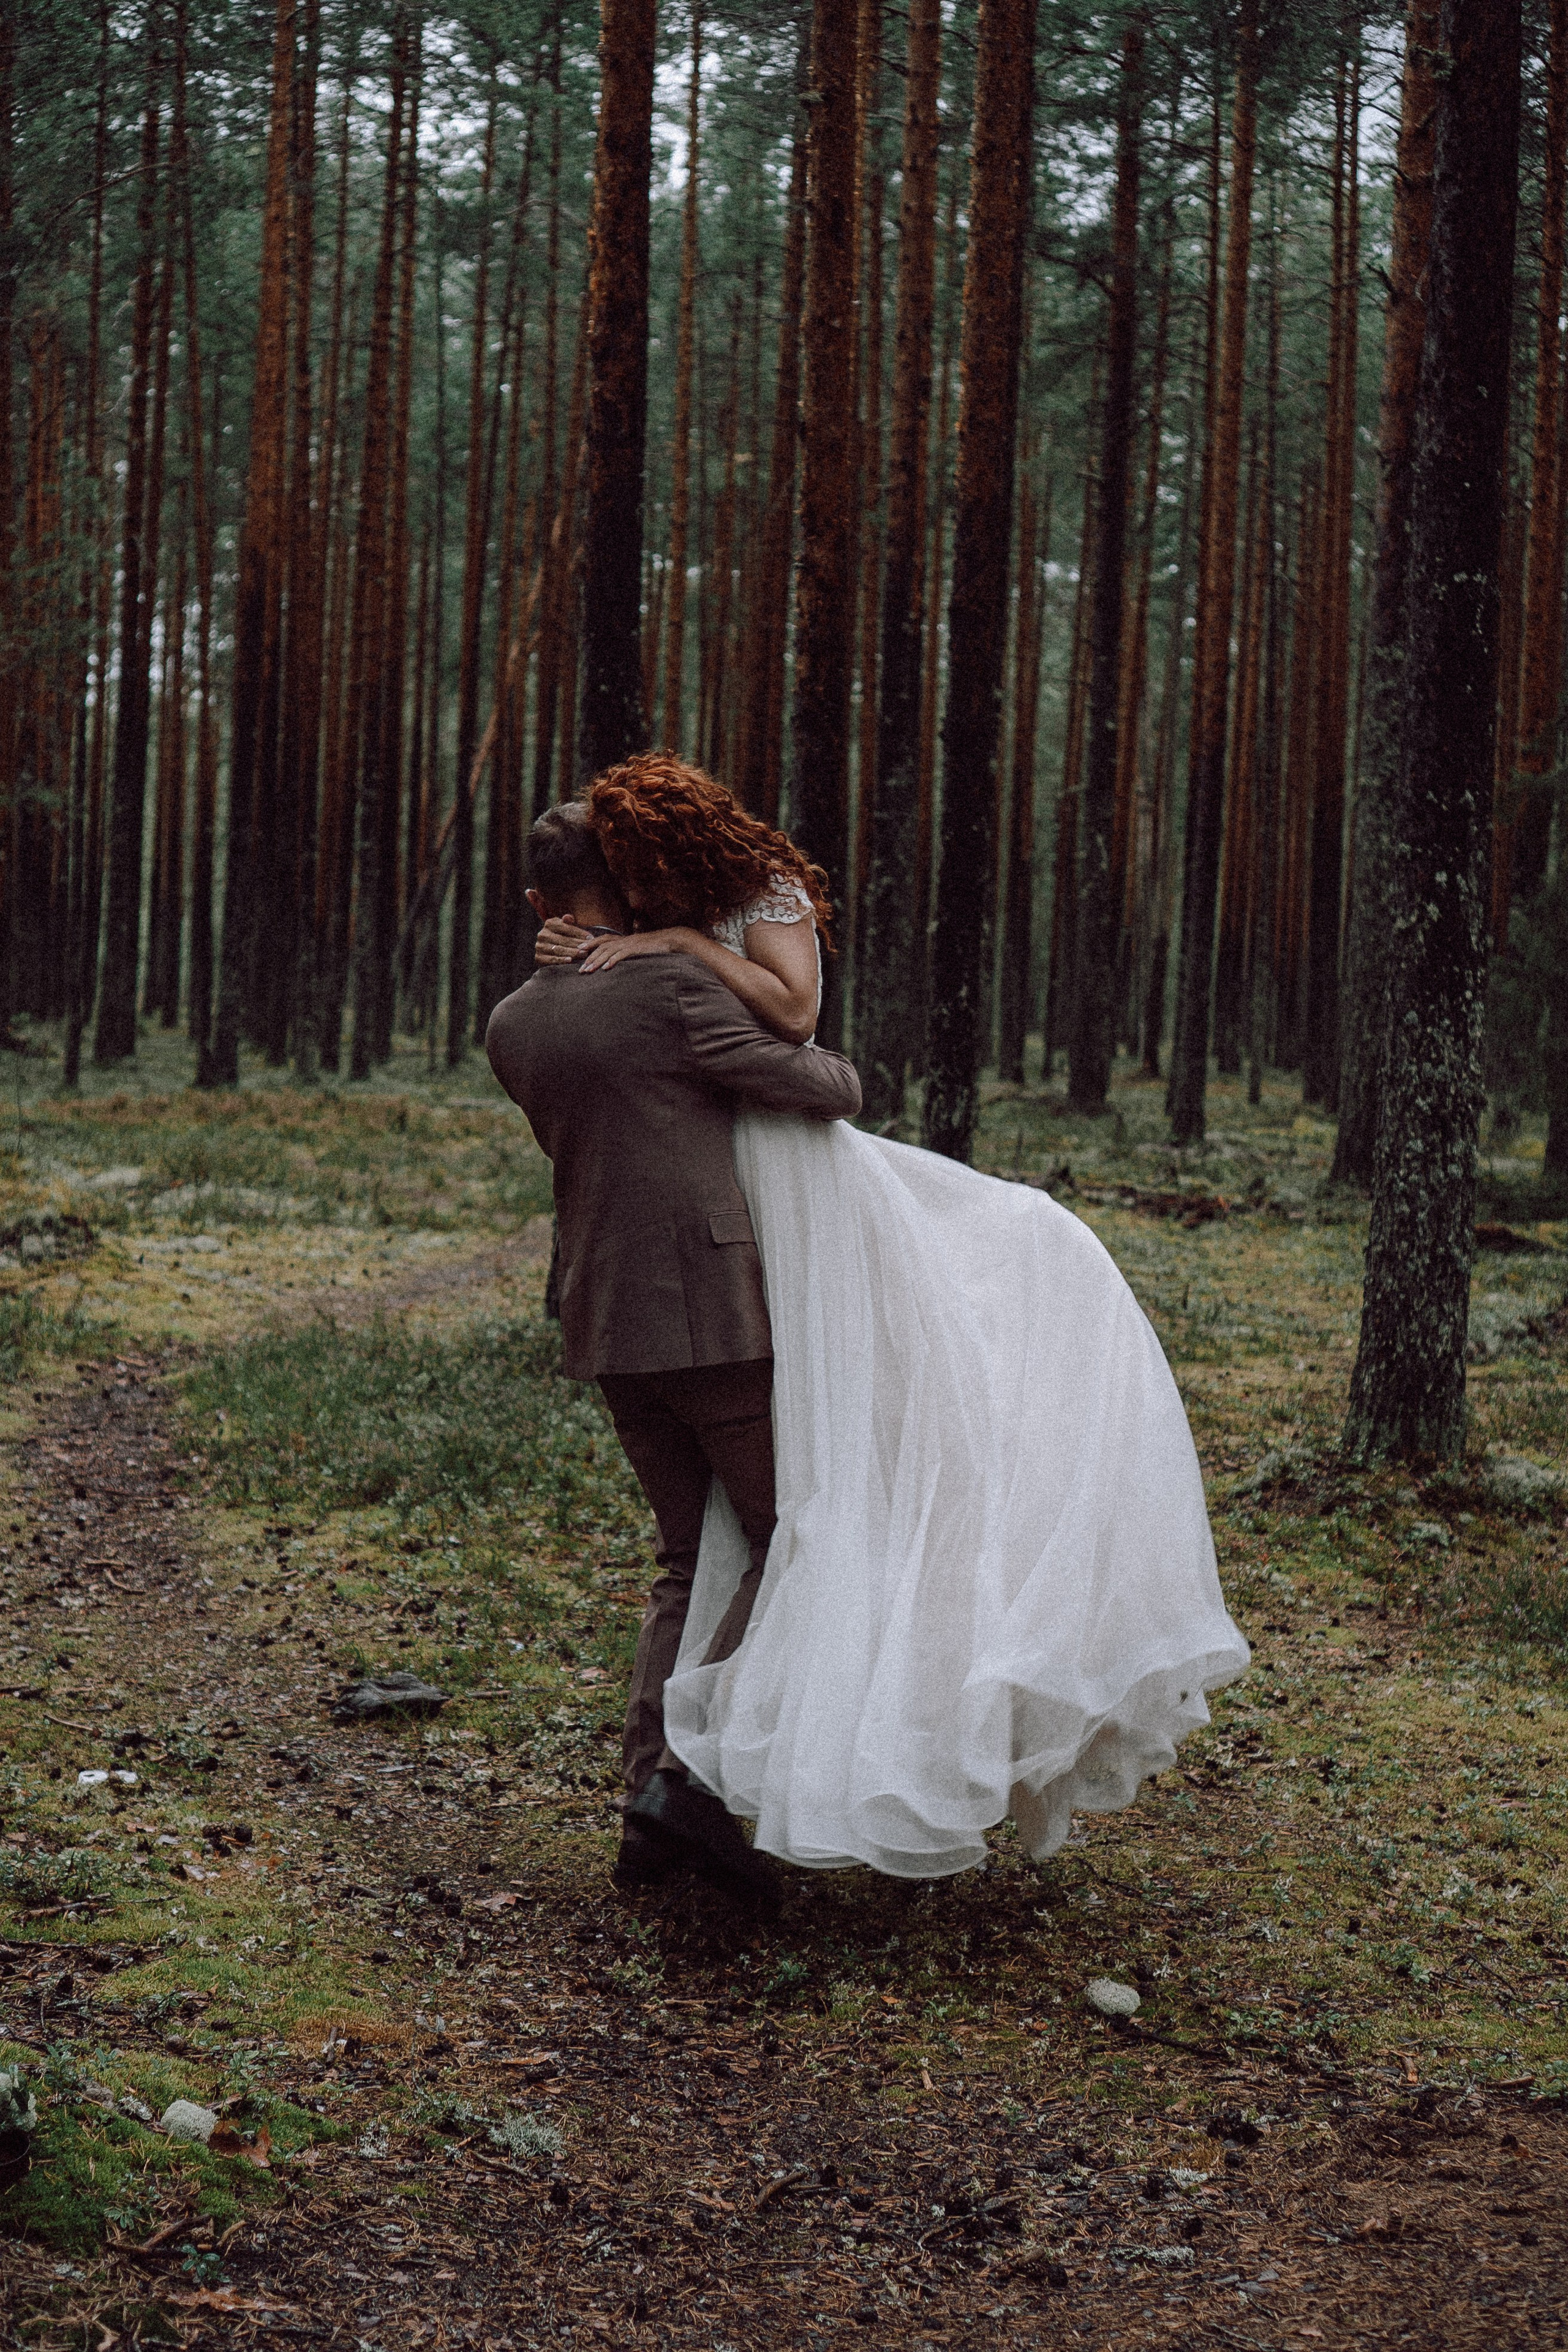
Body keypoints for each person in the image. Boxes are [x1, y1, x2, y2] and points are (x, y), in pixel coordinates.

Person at [535, 753, 1250, 1879]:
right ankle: (699, 1788)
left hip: (784, 1186)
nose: (638, 889)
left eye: (645, 870)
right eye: (625, 876)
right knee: (777, 1522)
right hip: (740, 1210)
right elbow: (743, 1056)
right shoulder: (645, 939)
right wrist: (612, 949)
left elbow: (797, 1011)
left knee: (806, 1472)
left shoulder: (741, 899)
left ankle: (684, 1785)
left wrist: (669, 946)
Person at [486, 802, 862, 1904]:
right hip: (709, 1313)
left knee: (687, 1557)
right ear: (637, 883)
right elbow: (827, 1087)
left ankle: (651, 1797)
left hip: (604, 1316)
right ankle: (691, 1788)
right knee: (791, 1528)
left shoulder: (512, 1023)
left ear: (538, 904)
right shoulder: (674, 990)